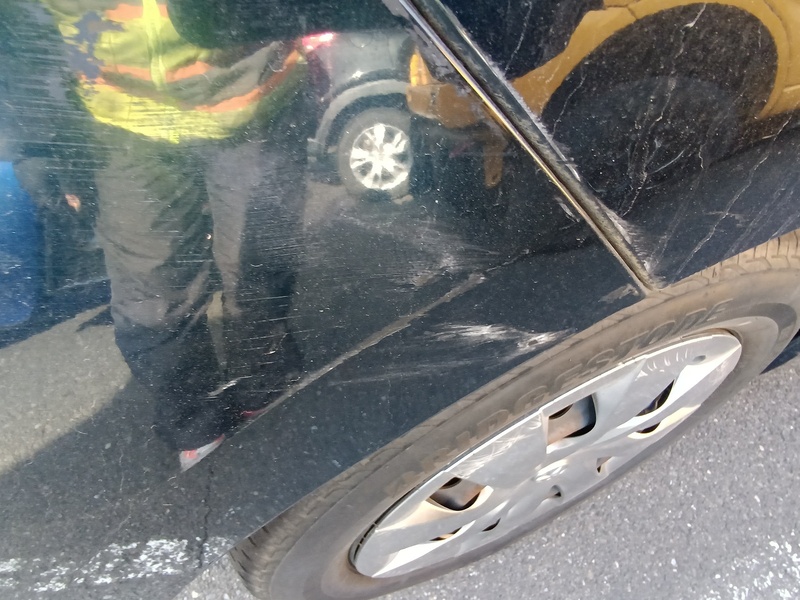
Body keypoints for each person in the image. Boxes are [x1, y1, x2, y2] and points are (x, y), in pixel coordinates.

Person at [43, 0, 310, 469]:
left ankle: (264, 387)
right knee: (150, 295)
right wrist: (36, 139)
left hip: (252, 98)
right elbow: (17, 25)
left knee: (256, 268)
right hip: (118, 120)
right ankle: (195, 423)